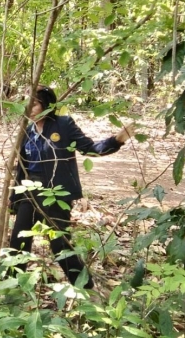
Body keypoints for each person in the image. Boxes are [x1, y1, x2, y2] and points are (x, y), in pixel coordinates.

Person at [8, 86, 134, 289]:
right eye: (27, 103)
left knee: (60, 244)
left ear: (46, 105)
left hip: (55, 192)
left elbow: (89, 148)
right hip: (29, 191)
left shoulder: (63, 124)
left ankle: (85, 288)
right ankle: (12, 288)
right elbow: (22, 168)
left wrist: (117, 141)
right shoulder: (26, 130)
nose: (29, 108)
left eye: (35, 103)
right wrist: (14, 198)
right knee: (18, 240)